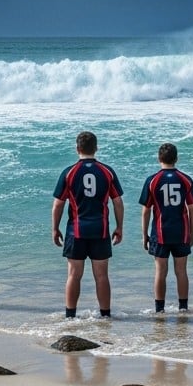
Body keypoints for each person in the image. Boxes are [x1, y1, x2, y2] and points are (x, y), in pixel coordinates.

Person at [52, 131, 124, 318]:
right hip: (100, 231)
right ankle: (106, 315)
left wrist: (55, 228)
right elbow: (117, 201)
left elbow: (58, 203)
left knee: (74, 275)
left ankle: (70, 316)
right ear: (96, 148)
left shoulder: (69, 172)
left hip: (76, 230)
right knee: (101, 276)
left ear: (77, 149)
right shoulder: (107, 171)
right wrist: (119, 226)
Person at [138, 142, 193, 312]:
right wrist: (192, 233)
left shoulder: (152, 180)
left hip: (160, 233)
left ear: (159, 159)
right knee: (181, 271)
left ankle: (159, 309)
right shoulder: (185, 179)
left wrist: (144, 234)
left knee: (160, 272)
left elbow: (146, 211)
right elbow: (192, 208)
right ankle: (183, 308)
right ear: (176, 159)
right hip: (181, 232)